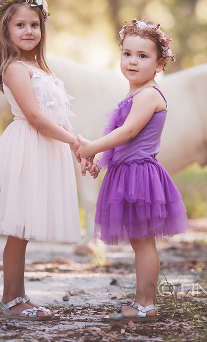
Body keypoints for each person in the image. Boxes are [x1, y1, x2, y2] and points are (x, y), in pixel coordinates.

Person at [0, 0, 81, 321]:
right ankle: (10, 300)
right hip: (26, 147)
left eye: (35, 24)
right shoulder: (15, 68)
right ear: (6, 30)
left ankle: (18, 296)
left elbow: (57, 114)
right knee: (17, 229)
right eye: (21, 24)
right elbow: (34, 116)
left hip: (43, 145)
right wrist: (73, 142)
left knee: (24, 229)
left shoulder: (38, 66)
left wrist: (79, 141)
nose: (29, 30)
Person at [76, 19, 190, 323]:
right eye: (127, 54)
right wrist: (100, 160)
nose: (133, 61)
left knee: (143, 242)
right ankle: (142, 301)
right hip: (126, 173)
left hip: (141, 175)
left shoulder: (150, 95)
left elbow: (127, 133)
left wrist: (91, 147)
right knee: (138, 241)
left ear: (159, 63)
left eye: (143, 56)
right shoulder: (131, 95)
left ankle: (147, 304)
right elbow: (120, 142)